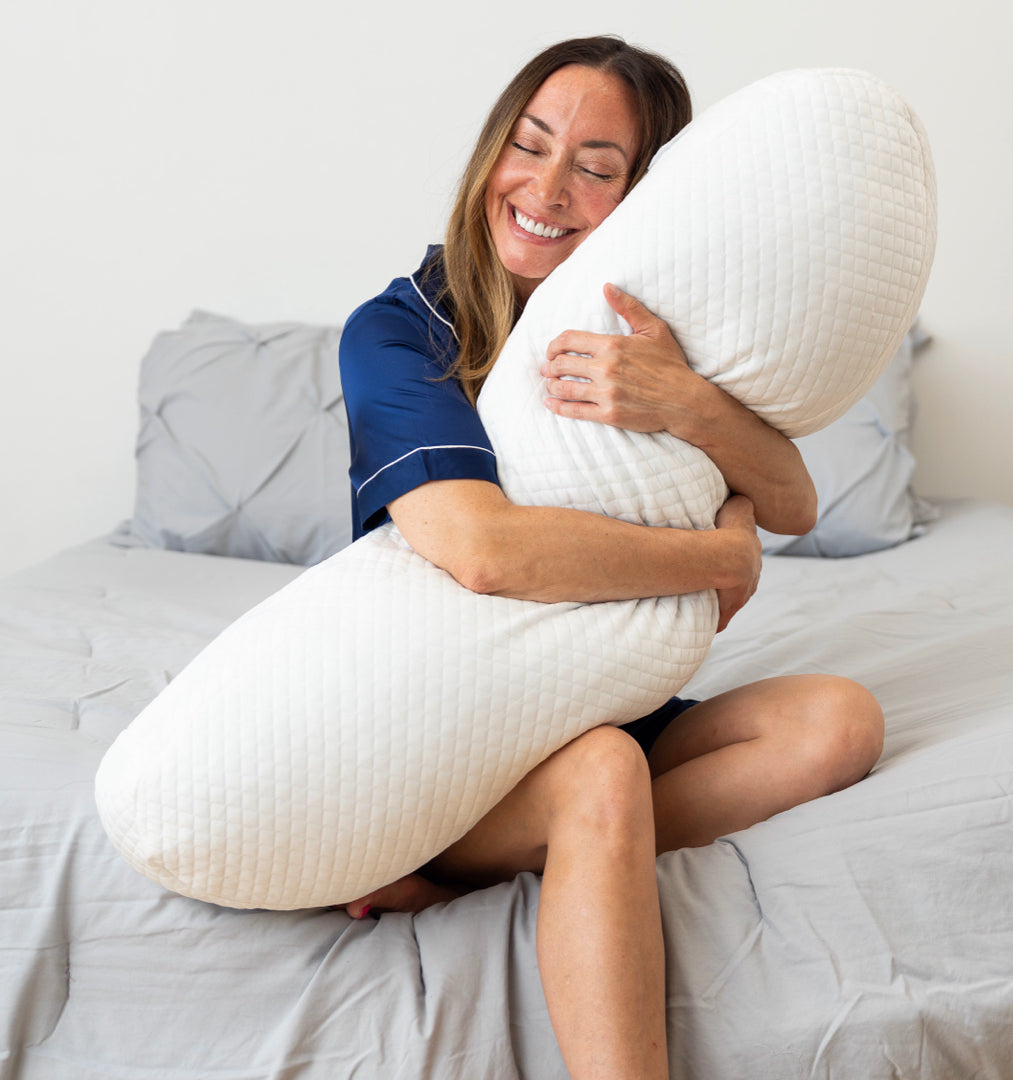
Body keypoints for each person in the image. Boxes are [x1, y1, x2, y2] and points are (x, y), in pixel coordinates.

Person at [338, 35, 884, 1080]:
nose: (546, 188)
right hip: (449, 738)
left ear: (641, 196)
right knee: (598, 771)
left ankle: (476, 884)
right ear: (493, 149)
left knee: (836, 723)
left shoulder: (641, 328)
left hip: (602, 702)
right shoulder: (400, 332)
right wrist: (711, 564)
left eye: (595, 167)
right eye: (529, 145)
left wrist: (688, 403)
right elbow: (479, 549)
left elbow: (796, 500)